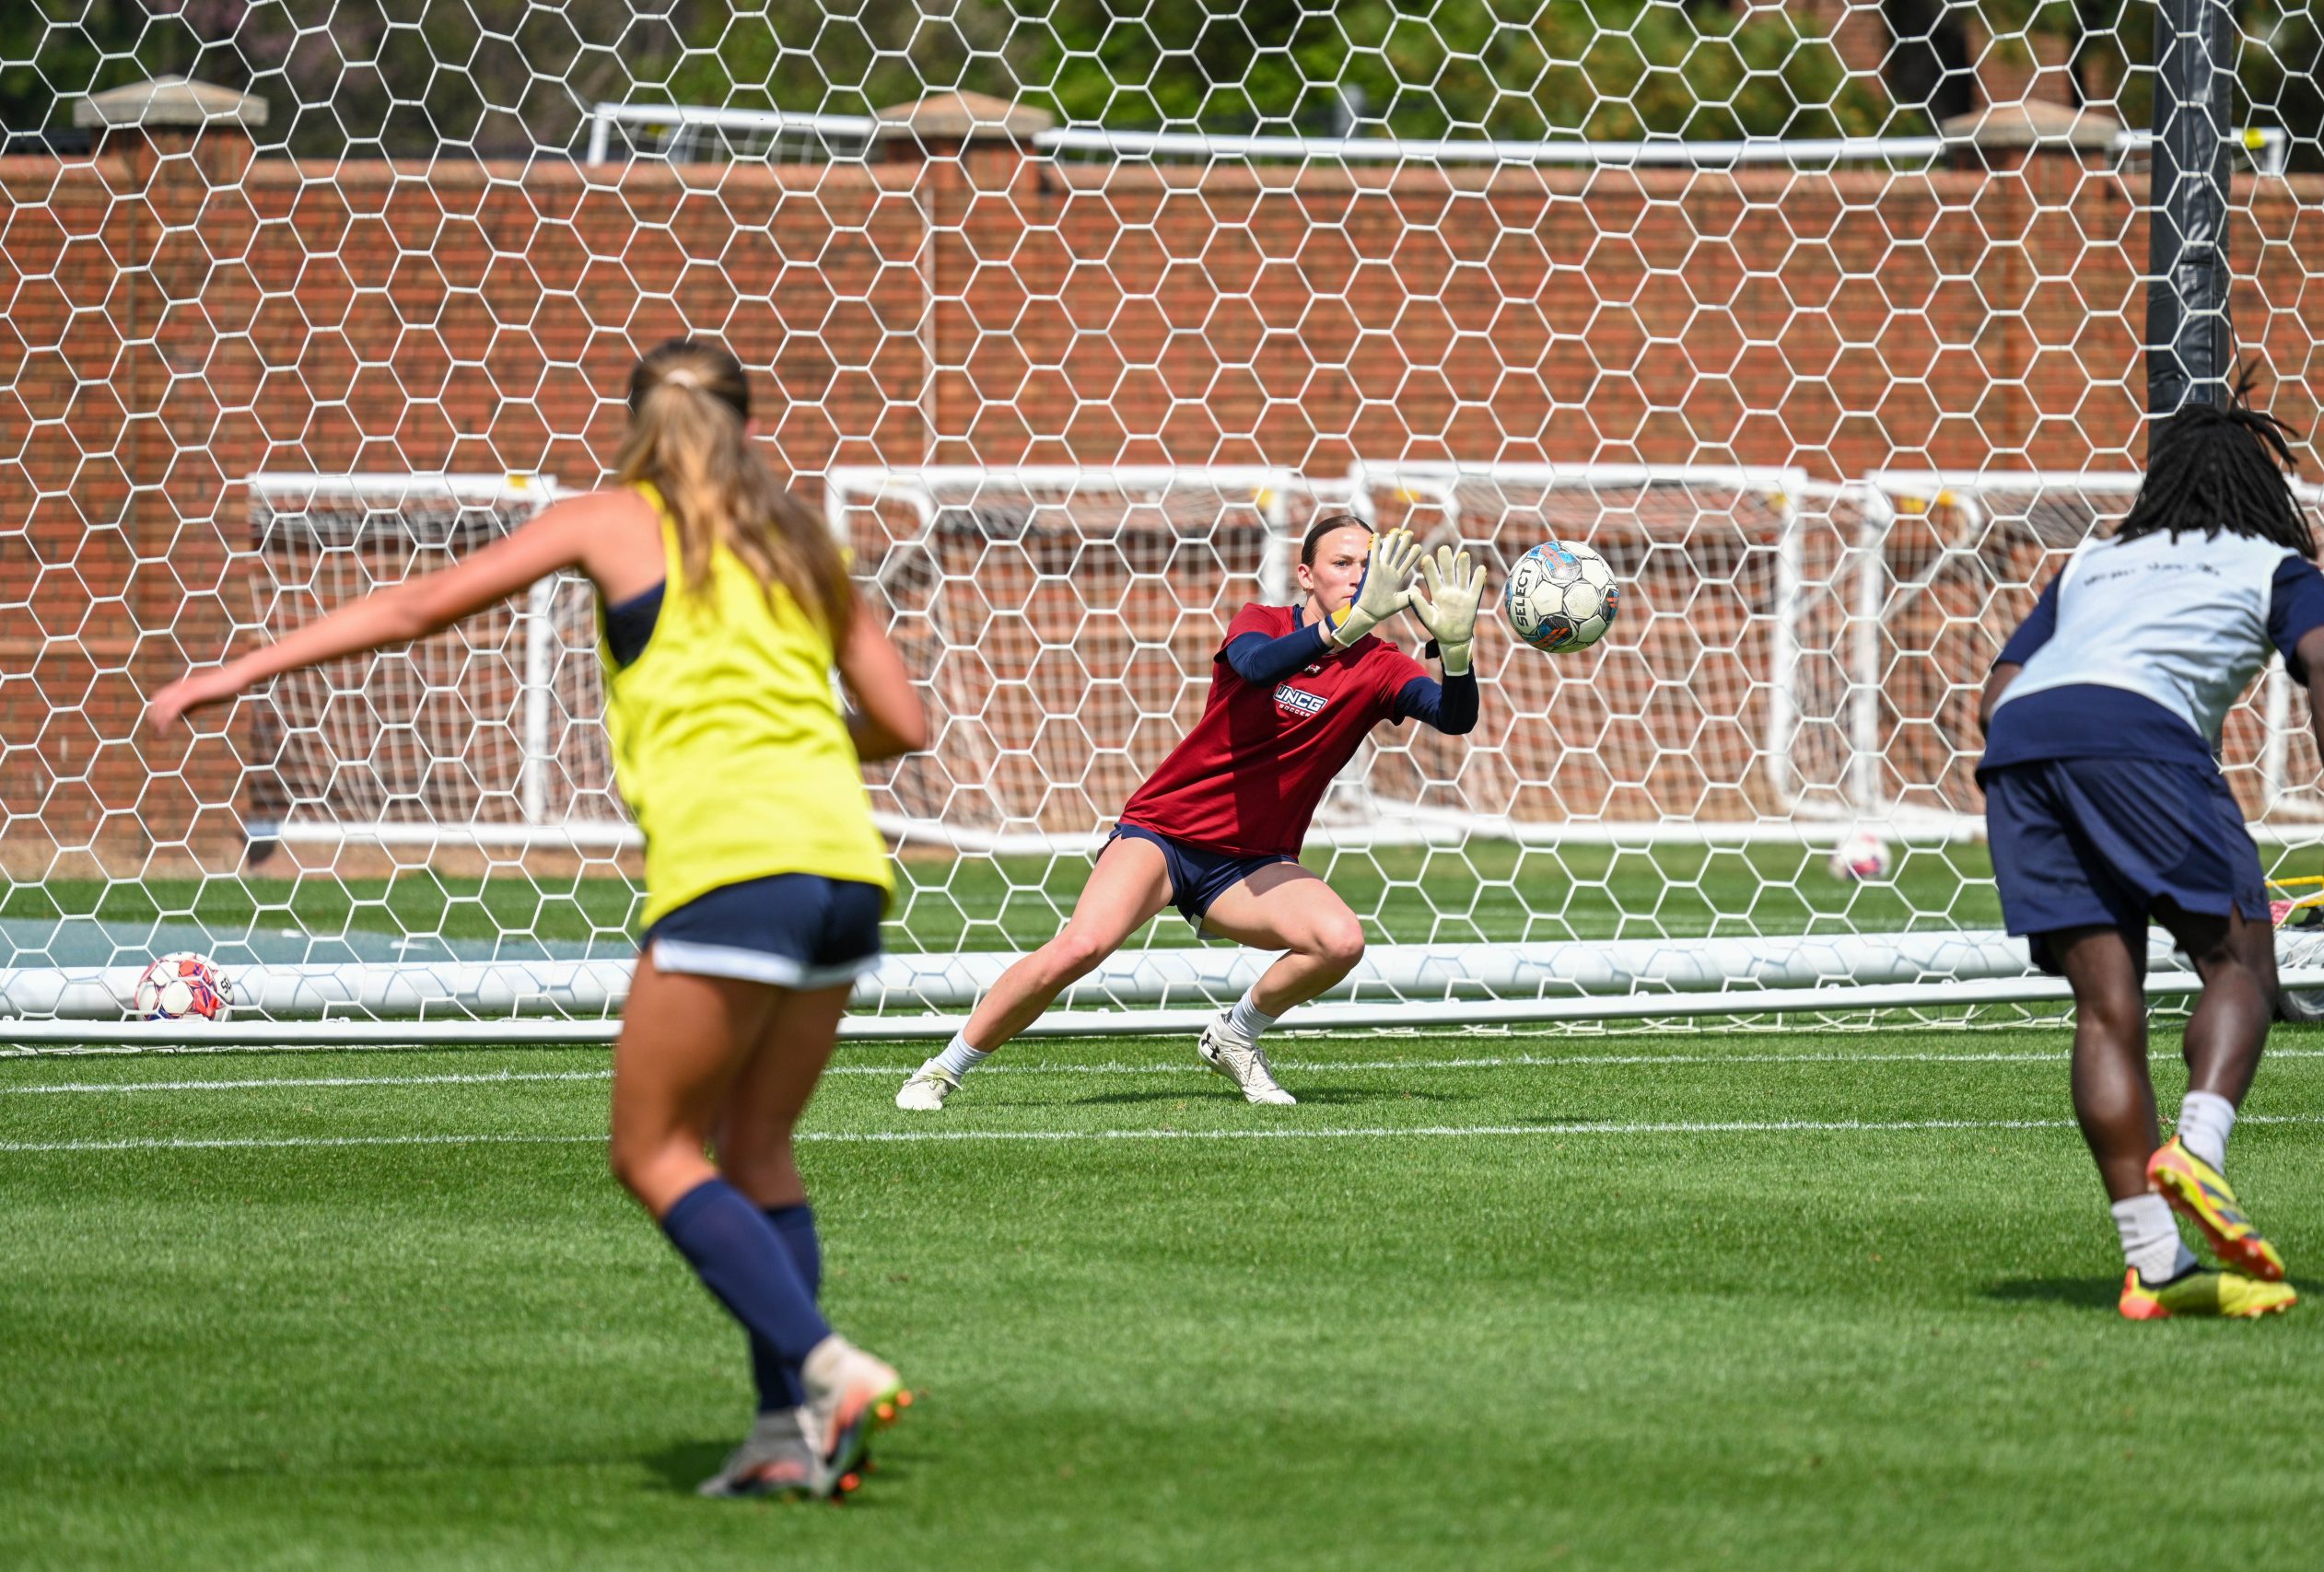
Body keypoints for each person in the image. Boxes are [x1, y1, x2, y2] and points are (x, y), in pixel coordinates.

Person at [146, 340, 928, 1497]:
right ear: (746, 423)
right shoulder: (804, 543)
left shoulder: (610, 519)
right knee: (757, 1150)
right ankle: (783, 1434)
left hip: (730, 867)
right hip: (845, 871)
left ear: (639, 426)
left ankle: (826, 1367)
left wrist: (236, 671)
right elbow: (903, 724)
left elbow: (417, 606)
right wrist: (798, 742)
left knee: (652, 1150)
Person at [1978, 385, 2324, 1321]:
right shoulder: (2274, 563)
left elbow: (1995, 691)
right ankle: (2198, 1146)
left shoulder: (2091, 565)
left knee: (2106, 1009)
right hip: (2136, 735)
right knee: (2240, 957)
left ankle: (2154, 1265)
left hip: (2019, 744)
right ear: (2265, 496)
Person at [895, 517, 1487, 1111]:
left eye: (1370, 563)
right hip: (1164, 834)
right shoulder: (1261, 621)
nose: (1359, 576)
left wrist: (1457, 653)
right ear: (1305, 575)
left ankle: (1235, 1034)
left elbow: (1454, 717)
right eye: (1342, 563)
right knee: (1081, 947)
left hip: (1251, 863)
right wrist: (1345, 626)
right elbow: (1258, 666)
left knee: (1339, 942)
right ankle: (941, 1071)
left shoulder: (1381, 665)